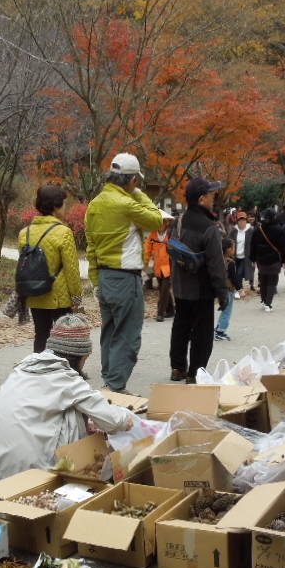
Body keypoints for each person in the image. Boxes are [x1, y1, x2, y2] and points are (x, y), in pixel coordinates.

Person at [0, 314, 134, 481]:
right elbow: (114, 421)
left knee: (67, 408)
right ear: (81, 356)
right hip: (28, 475)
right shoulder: (69, 381)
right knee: (73, 413)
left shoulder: (23, 367)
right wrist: (128, 420)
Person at [84, 152, 166, 392]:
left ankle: (110, 379)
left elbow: (90, 246)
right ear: (132, 180)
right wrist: (139, 194)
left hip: (105, 277)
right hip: (125, 277)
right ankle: (116, 387)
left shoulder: (95, 204)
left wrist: (96, 280)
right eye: (136, 181)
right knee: (129, 335)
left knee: (110, 332)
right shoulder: (128, 204)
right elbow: (156, 220)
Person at [169, 176, 228, 382]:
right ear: (202, 199)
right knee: (202, 334)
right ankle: (195, 372)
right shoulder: (209, 226)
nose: (214, 198)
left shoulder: (178, 221)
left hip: (179, 287)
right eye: (211, 194)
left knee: (181, 326)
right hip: (201, 289)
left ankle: (177, 367)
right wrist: (222, 293)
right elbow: (216, 264)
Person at [18, 185, 82, 353]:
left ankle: (39, 371)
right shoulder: (63, 232)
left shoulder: (26, 233)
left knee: (41, 335)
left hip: (35, 293)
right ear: (55, 205)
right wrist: (76, 299)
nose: (65, 207)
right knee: (65, 337)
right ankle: (65, 372)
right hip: (59, 297)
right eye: (63, 203)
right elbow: (72, 271)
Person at [251, 208, 285, 311]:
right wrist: (284, 260)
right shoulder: (279, 229)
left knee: (263, 281)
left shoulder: (258, 229)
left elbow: (252, 245)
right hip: (274, 260)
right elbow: (283, 246)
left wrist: (253, 258)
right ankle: (268, 303)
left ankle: (264, 300)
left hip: (261, 260)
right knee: (272, 282)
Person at [145, 226, 174, 322]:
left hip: (169, 266)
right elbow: (147, 251)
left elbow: (176, 248)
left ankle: (160, 313)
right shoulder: (153, 235)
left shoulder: (171, 234)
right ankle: (171, 310)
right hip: (158, 267)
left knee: (164, 290)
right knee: (162, 288)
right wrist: (145, 264)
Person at [215, 236, 239, 341]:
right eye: (233, 247)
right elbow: (234, 278)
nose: (234, 250)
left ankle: (218, 329)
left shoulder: (218, 260)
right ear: (228, 249)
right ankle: (220, 331)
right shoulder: (231, 263)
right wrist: (240, 289)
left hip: (220, 289)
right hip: (229, 290)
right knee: (227, 311)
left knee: (224, 310)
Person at [227, 211, 254, 296]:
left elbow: (254, 244)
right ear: (237, 221)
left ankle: (239, 290)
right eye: (240, 220)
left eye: (243, 220)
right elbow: (228, 242)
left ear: (246, 220)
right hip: (235, 256)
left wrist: (254, 258)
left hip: (245, 257)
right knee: (235, 274)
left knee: (239, 273)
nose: (241, 222)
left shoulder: (251, 230)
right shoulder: (234, 231)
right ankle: (239, 288)